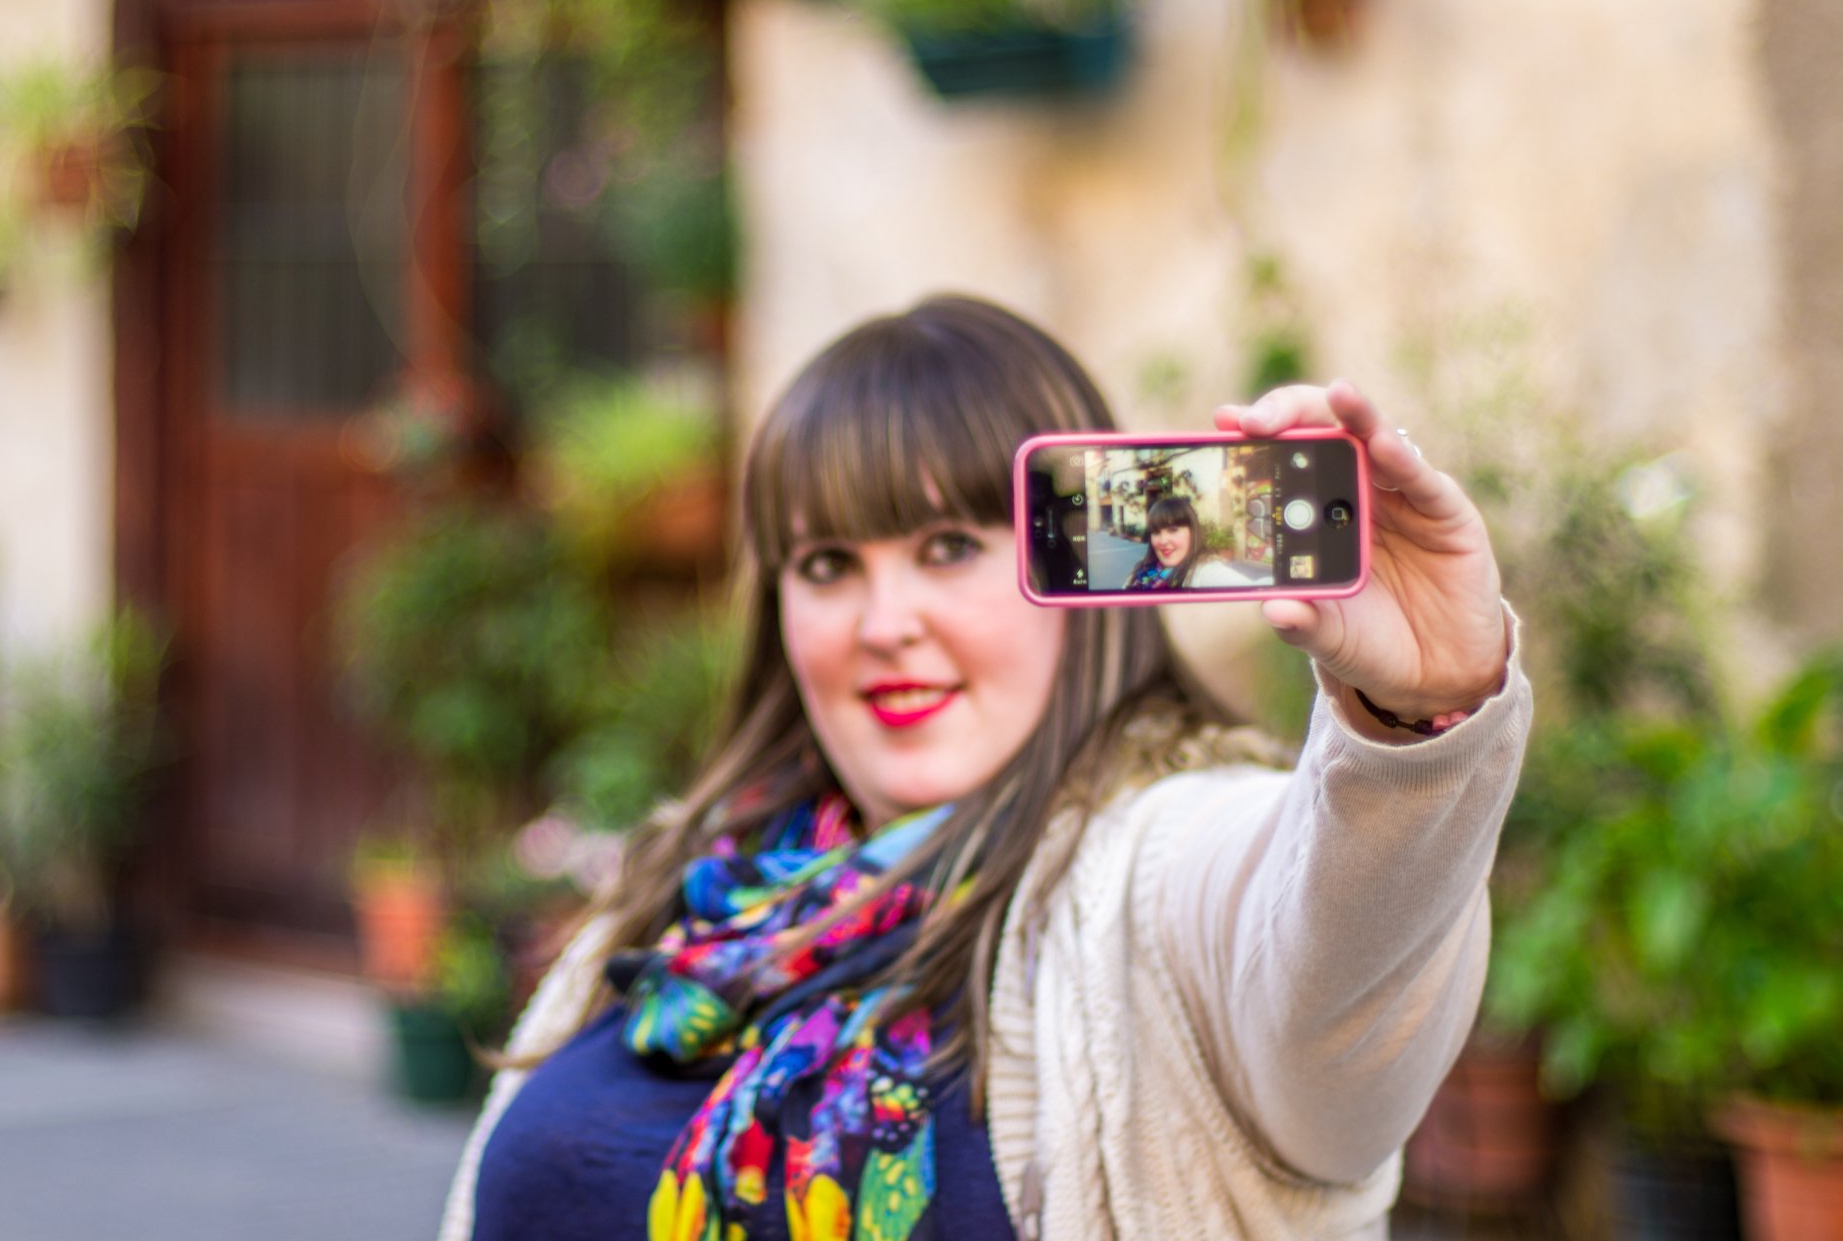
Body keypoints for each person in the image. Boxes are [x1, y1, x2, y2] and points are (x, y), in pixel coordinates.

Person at [438, 295, 1527, 1241]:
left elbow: (1336, 977)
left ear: (1097, 559)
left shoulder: (1163, 866)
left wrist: (1414, 724)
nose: (884, 622)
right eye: (826, 564)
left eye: (950, 547)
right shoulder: (696, 890)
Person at [1122, 493, 1258, 590]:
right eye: (1156, 532)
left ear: (1192, 532)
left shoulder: (1204, 572)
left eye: (1173, 530)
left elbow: (1253, 589)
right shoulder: (1142, 570)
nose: (1162, 541)